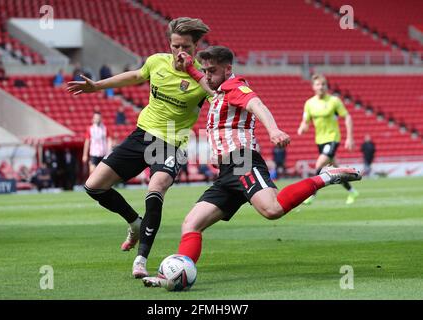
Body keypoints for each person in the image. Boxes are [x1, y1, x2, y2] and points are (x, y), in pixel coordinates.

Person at [142, 46, 362, 288]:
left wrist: (273, 129)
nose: (207, 76)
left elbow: (256, 104)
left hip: (241, 160)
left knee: (272, 209)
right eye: (205, 71)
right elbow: (204, 80)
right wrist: (192, 69)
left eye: (212, 71)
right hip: (226, 172)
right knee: (191, 224)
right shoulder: (218, 89)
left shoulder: (235, 87)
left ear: (228, 69)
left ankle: (326, 176)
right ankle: (175, 274)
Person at [66, 17, 210, 278]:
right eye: (176, 46)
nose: (180, 52)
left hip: (171, 143)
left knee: (156, 189)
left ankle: (141, 259)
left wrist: (192, 71)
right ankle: (135, 223)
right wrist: (97, 86)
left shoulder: (202, 77)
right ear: (169, 44)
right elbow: (134, 76)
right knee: (94, 186)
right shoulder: (157, 62)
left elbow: (215, 94)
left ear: (196, 47)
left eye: (186, 47)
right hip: (142, 136)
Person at [297, 73, 359, 205]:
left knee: (319, 165)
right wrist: (302, 127)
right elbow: (305, 121)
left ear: (326, 86)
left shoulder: (334, 101)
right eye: (318, 84)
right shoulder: (309, 103)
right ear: (313, 87)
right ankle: (352, 191)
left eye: (323, 84)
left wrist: (350, 137)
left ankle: (311, 194)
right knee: (336, 170)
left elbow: (347, 117)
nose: (321, 87)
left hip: (333, 138)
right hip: (320, 140)